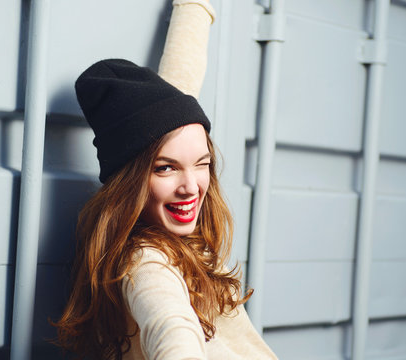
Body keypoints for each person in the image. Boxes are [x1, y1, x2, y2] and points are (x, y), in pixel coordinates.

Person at [54, 1, 278, 359]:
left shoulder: (167, 136)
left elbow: (180, 82)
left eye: (201, 163)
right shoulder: (145, 263)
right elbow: (170, 329)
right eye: (165, 168)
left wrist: (195, 8)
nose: (192, 186)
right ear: (129, 180)